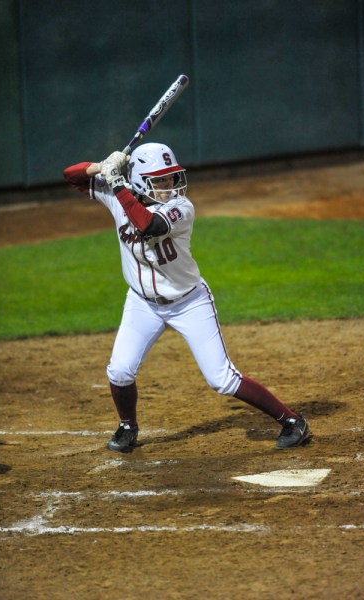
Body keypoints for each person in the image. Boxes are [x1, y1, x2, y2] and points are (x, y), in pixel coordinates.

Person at [63, 143, 311, 452]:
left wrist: (117, 183)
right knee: (119, 370)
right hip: (142, 303)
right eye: (159, 180)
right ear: (139, 180)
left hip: (188, 302)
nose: (168, 186)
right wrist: (101, 166)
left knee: (222, 379)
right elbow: (71, 176)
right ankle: (128, 427)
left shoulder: (181, 208)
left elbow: (148, 225)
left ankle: (292, 421)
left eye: (170, 178)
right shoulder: (117, 193)